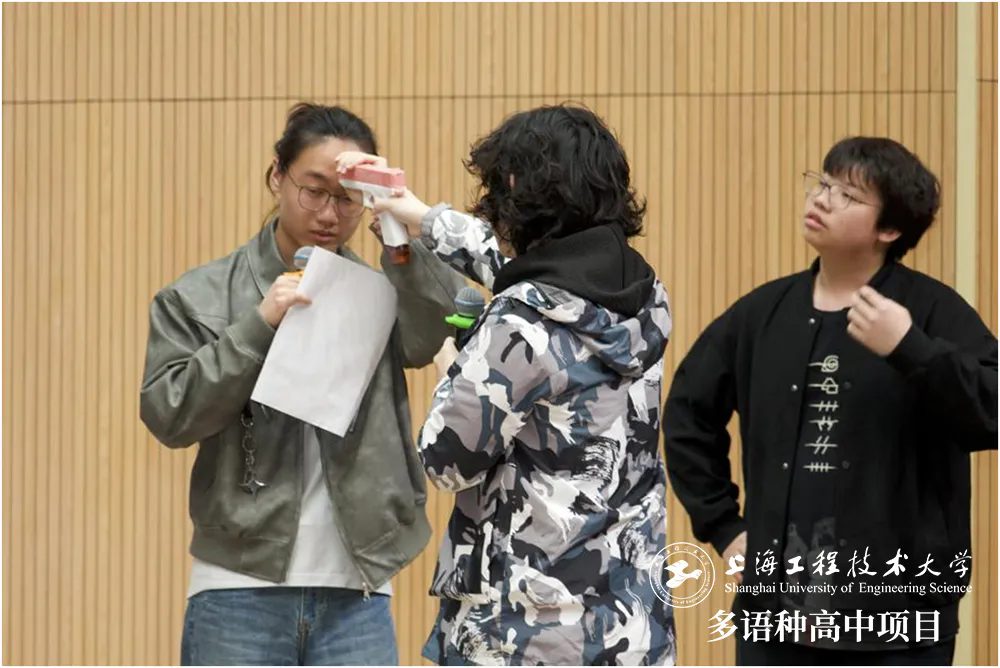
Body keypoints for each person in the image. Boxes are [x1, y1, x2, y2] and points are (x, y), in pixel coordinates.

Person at [345, 104, 678, 665]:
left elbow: (445, 460)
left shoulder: (518, 322)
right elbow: (524, 270)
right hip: (631, 625)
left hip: (523, 632)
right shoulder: (644, 295)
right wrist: (422, 217)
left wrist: (455, 364)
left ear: (518, 189)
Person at [139, 102, 466, 666]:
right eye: (313, 191)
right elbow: (169, 414)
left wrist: (399, 232)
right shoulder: (198, 295)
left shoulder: (380, 289)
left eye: (347, 198)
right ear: (277, 176)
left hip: (358, 587)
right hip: (237, 583)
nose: (329, 213)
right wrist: (258, 324)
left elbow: (435, 332)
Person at [662, 136, 998, 666]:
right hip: (776, 617)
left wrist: (911, 348)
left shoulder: (932, 311)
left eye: (848, 195)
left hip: (899, 618)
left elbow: (992, 412)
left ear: (890, 229)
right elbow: (687, 413)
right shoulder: (761, 314)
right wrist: (724, 527)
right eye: (822, 184)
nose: (821, 199)